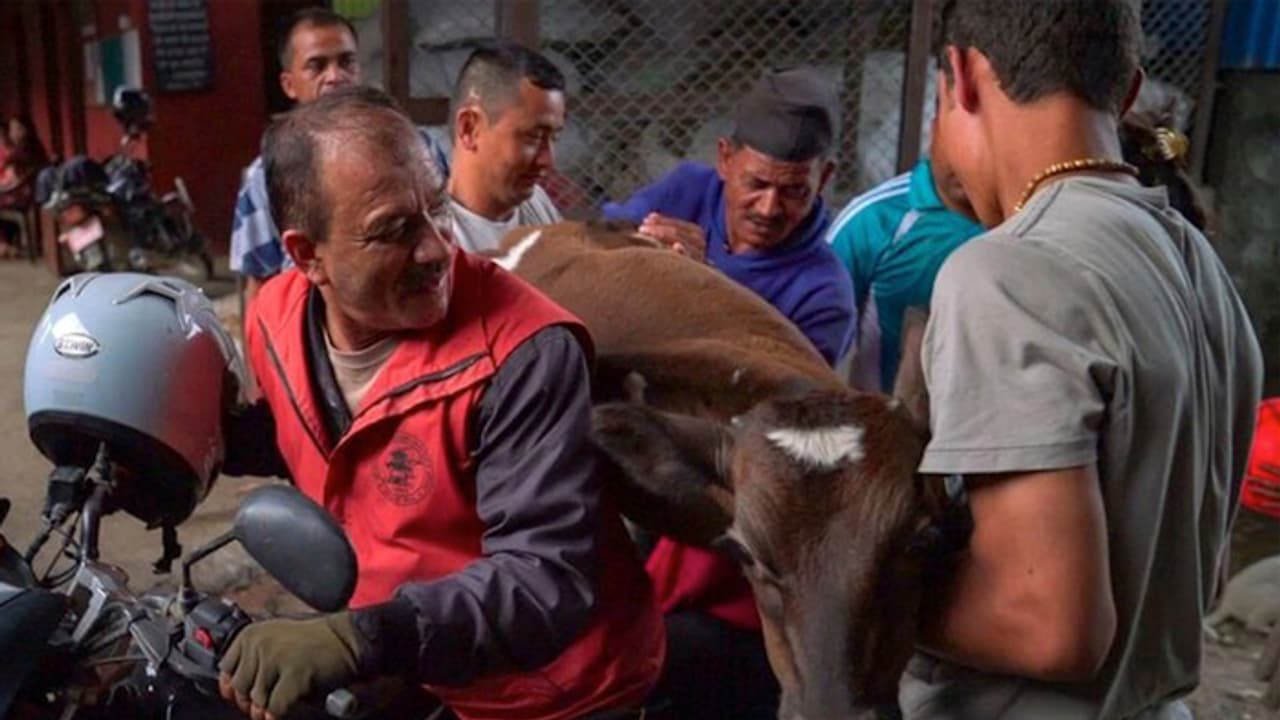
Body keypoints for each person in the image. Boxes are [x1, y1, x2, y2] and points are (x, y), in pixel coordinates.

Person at [217, 86, 664, 720]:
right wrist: (181, 447)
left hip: (555, 691)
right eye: (393, 230)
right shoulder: (276, 320)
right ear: (305, 255)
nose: (435, 249)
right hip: (419, 661)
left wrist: (359, 637)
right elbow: (319, 439)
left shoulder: (523, 353)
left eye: (437, 209)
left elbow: (543, 579)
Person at [902, 2, 1263, 719]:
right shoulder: (1195, 263)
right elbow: (1198, 575)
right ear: (1128, 90)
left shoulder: (1007, 274)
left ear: (961, 77)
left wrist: (827, 586)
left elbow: (1050, 629)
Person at [602, 66, 856, 367]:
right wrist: (641, 246)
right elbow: (600, 242)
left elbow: (777, 397)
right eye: (756, 184)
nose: (768, 208)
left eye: (793, 191)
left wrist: (702, 283)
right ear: (725, 158)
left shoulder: (824, 295)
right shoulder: (685, 190)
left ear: (824, 179)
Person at [229, 7, 448, 309]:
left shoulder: (418, 149)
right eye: (316, 66)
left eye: (346, 62)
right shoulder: (266, 176)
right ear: (289, 84)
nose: (335, 77)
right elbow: (259, 286)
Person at [825, 112, 983, 391]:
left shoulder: (1033, 217)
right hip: (889, 424)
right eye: (959, 140)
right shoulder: (872, 220)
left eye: (985, 144)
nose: (968, 159)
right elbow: (819, 335)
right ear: (935, 130)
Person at [446, 41, 564, 253]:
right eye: (533, 137)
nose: (547, 160)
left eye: (553, 138)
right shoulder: (438, 238)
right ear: (469, 128)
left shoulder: (536, 203)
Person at [0, 116, 49, 258]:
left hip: (22, 195)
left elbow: (17, 181)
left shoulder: (25, 152)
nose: (13, 133)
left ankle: (4, 245)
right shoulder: (18, 150)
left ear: (26, 131)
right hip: (20, 193)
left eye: (17, 129)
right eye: (11, 129)